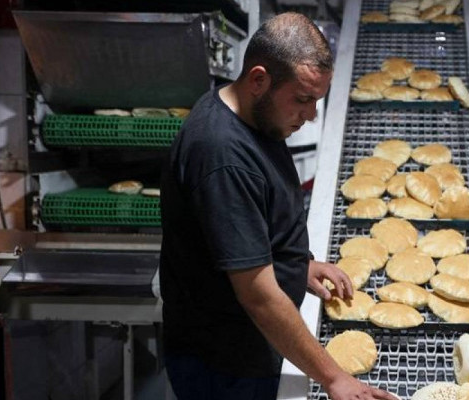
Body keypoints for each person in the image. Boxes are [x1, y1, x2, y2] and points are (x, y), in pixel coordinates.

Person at [159, 12, 397, 400]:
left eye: (316, 101)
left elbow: (244, 226)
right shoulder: (221, 154)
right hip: (226, 364)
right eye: (302, 100)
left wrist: (295, 263)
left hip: (246, 347)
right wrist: (334, 377)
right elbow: (259, 295)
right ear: (258, 80)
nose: (310, 115)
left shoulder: (256, 116)